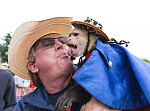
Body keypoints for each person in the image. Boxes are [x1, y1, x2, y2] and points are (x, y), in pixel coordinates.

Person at [8, 17, 82, 111]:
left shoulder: (98, 79)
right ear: (33, 66)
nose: (61, 45)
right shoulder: (25, 106)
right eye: (48, 43)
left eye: (63, 41)